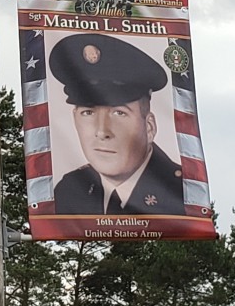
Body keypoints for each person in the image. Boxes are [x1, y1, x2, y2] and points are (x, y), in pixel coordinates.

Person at [49, 33, 185, 215]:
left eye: (119, 113)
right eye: (88, 112)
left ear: (149, 127)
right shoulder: (69, 191)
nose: (102, 131)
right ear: (75, 119)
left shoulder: (181, 193)